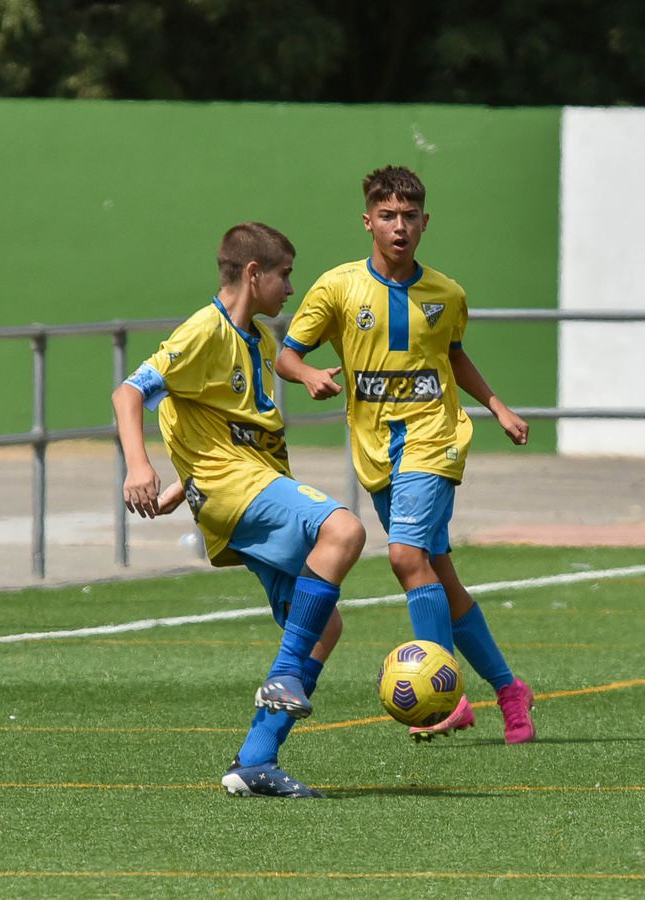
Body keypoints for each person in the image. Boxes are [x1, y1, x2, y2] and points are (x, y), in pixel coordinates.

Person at [276, 166, 537, 744]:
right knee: (436, 573)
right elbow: (286, 355)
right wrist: (310, 374)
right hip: (376, 451)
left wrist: (496, 405)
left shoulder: (446, 293)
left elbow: (455, 357)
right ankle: (508, 689)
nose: (400, 227)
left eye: (410, 217)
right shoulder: (338, 287)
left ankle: (446, 695)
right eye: (388, 216)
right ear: (368, 220)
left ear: (425, 222)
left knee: (403, 555)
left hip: (434, 437)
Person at [113, 222, 367, 798]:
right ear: (254, 274)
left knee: (325, 628)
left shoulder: (261, 341)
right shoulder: (205, 330)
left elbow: (214, 422)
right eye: (285, 276)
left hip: (242, 485)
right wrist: (138, 464)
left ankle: (254, 762)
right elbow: (129, 392)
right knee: (345, 529)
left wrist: (183, 480)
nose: (291, 290)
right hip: (239, 490)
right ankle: (282, 677)